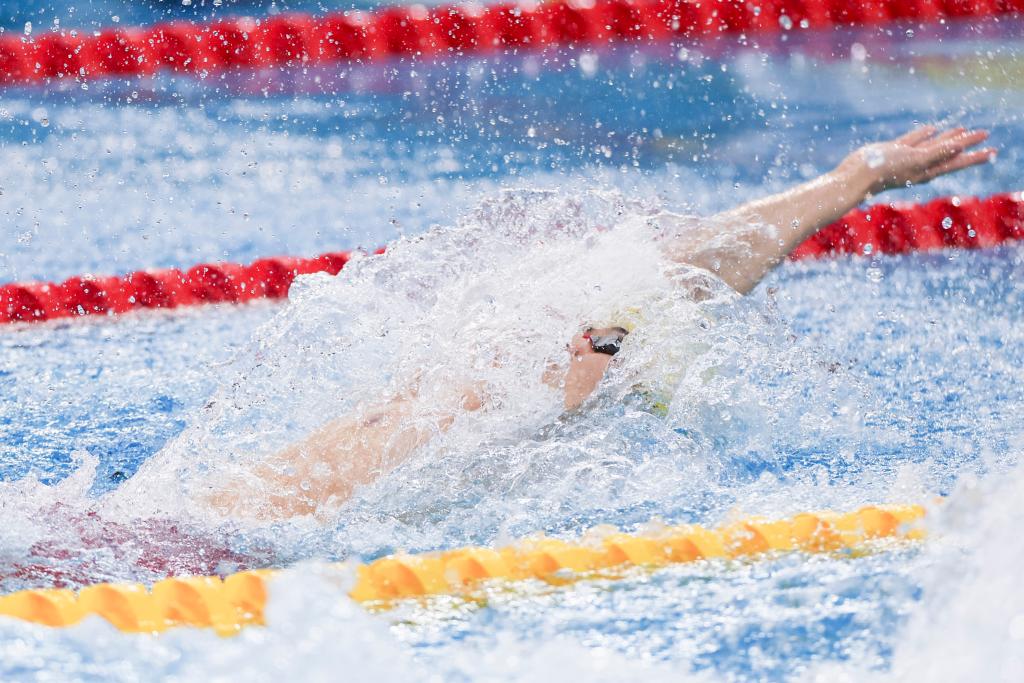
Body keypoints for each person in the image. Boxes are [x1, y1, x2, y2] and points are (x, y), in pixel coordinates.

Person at [210, 125, 995, 520]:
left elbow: (685, 274)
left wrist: (854, 178)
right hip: (223, 531)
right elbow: (681, 279)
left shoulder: (482, 381)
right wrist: (853, 179)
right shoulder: (521, 383)